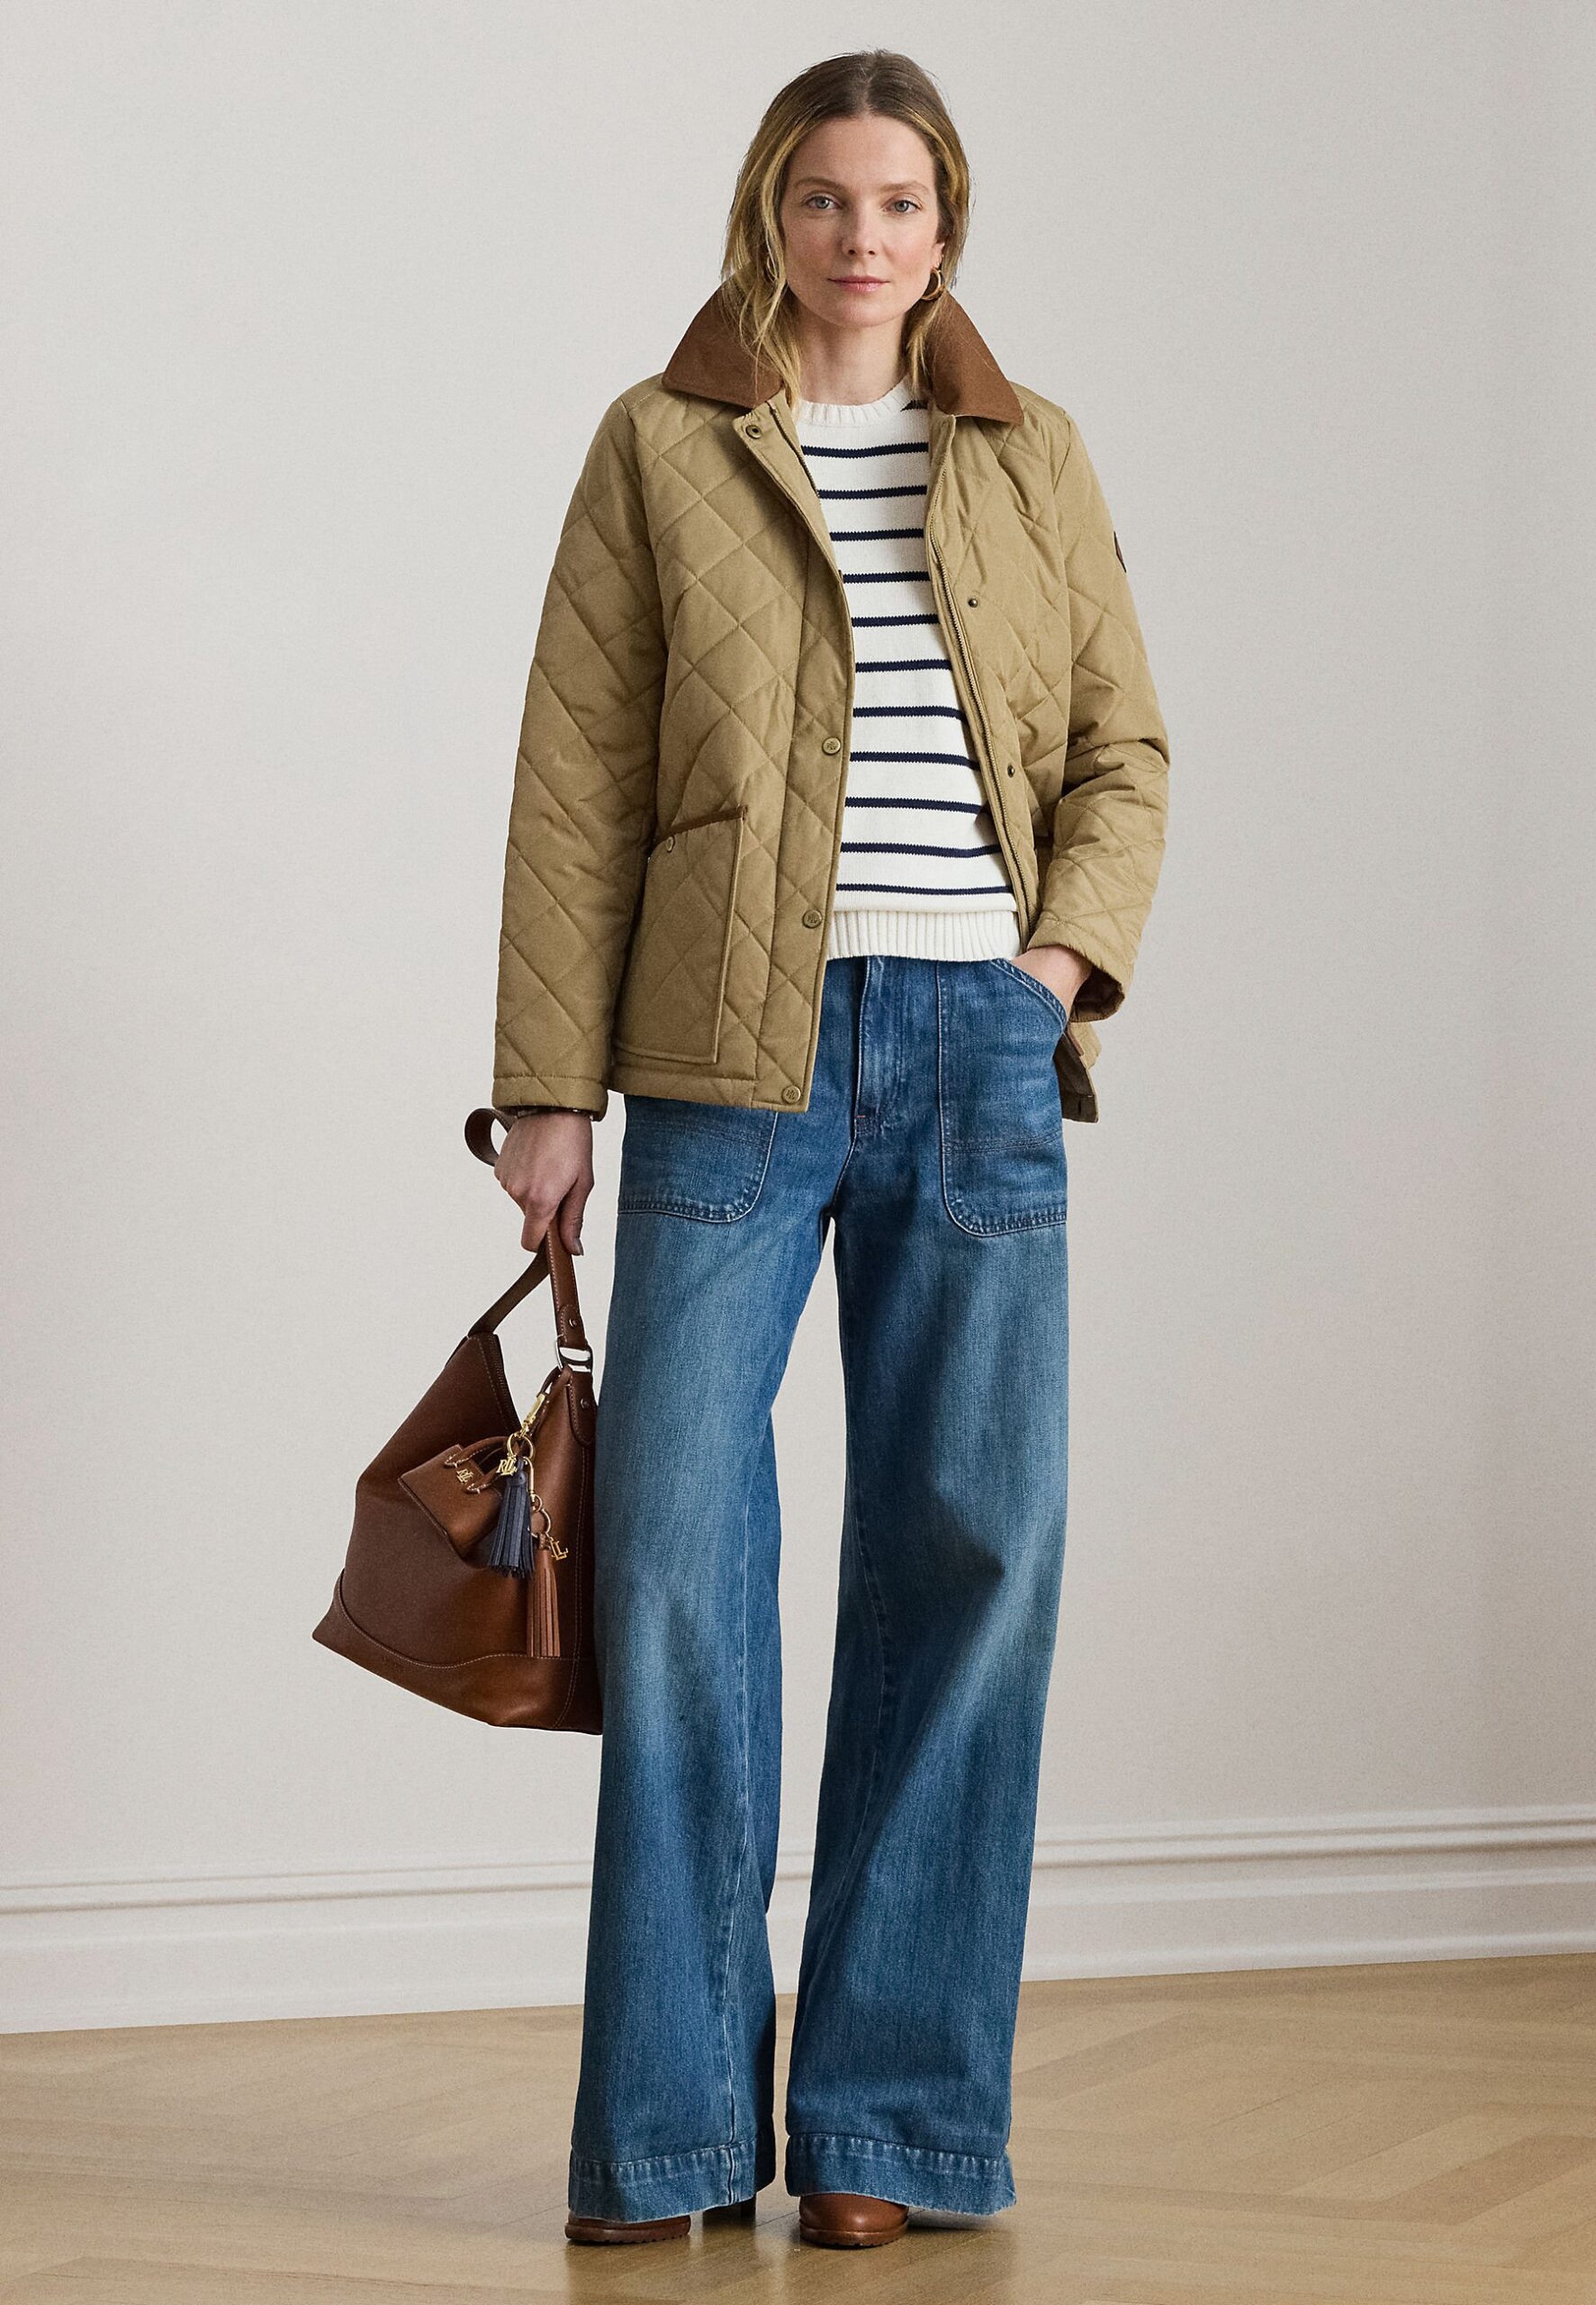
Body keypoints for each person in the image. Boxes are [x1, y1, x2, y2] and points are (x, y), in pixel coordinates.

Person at [488, 48, 1169, 2252]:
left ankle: (890, 2117)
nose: (857, 236)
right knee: (676, 1567)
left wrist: (1045, 973)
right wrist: (546, 1086)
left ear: (942, 224)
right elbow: (576, 776)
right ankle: (671, 2128)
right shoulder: (659, 442)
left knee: (969, 1558)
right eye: (820, 196)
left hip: (975, 1048)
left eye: (894, 201)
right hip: (723, 1060)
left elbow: (1121, 748)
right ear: (765, 214)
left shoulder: (1028, 449)